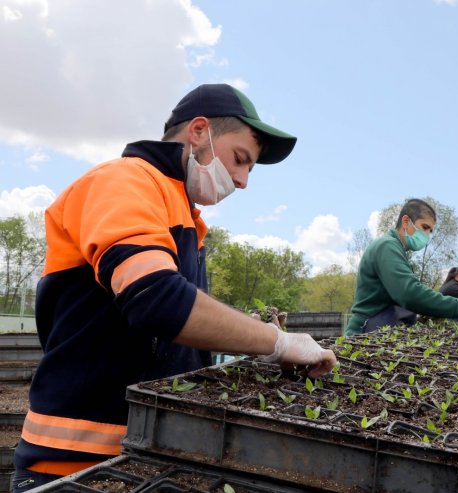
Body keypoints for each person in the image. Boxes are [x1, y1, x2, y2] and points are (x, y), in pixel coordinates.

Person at [12, 84, 337, 492]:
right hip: (76, 462)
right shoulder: (123, 181)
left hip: (140, 453)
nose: (241, 181)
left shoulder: (180, 212)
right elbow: (157, 300)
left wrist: (248, 332)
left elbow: (164, 329)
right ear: (199, 131)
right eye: (241, 160)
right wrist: (276, 341)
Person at [345, 199, 458, 336]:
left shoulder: (396, 249)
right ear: (405, 221)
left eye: (430, 231)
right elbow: (409, 293)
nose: (427, 236)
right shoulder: (387, 246)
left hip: (377, 328)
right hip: (364, 332)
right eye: (425, 227)